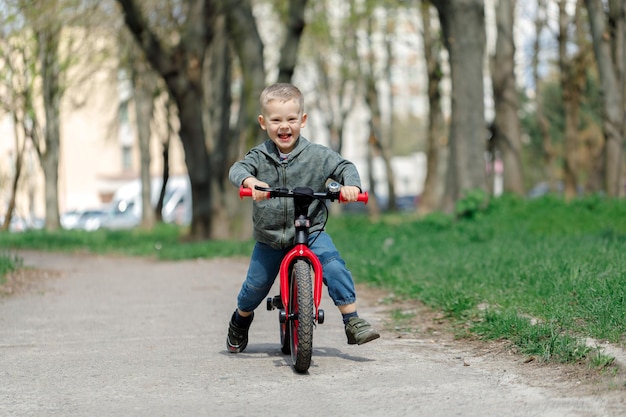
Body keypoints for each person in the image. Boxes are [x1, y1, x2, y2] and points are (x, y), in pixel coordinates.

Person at [226, 82, 380, 353]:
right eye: (275, 120)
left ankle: (352, 320)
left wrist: (351, 186)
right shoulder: (259, 157)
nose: (284, 126)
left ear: (303, 120)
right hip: (272, 236)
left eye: (291, 119)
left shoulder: (317, 156)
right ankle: (241, 320)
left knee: (333, 266)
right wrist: (251, 181)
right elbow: (238, 169)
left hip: (312, 230)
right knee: (255, 285)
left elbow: (344, 166)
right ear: (263, 123)